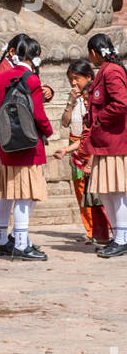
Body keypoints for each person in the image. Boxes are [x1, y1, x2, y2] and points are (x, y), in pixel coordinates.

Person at [0, 34, 52, 260]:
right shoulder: (31, 79)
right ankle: (21, 243)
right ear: (35, 57)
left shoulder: (0, 77)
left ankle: (2, 239)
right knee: (24, 196)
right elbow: (39, 115)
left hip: (6, 142)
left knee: (8, 194)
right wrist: (49, 131)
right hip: (28, 144)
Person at [52, 60, 111, 247]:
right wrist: (70, 101)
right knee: (81, 192)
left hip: (90, 148)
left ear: (88, 77)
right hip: (76, 145)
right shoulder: (76, 99)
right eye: (71, 79)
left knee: (98, 193)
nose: (73, 83)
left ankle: (108, 229)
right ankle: (90, 230)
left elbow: (94, 131)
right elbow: (65, 122)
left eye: (76, 78)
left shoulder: (95, 98)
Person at [86, 32, 127, 258]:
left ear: (94, 53)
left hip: (114, 141)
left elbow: (121, 104)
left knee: (117, 191)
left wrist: (100, 119)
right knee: (107, 192)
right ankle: (119, 235)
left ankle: (122, 237)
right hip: (104, 141)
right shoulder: (106, 70)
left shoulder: (111, 72)